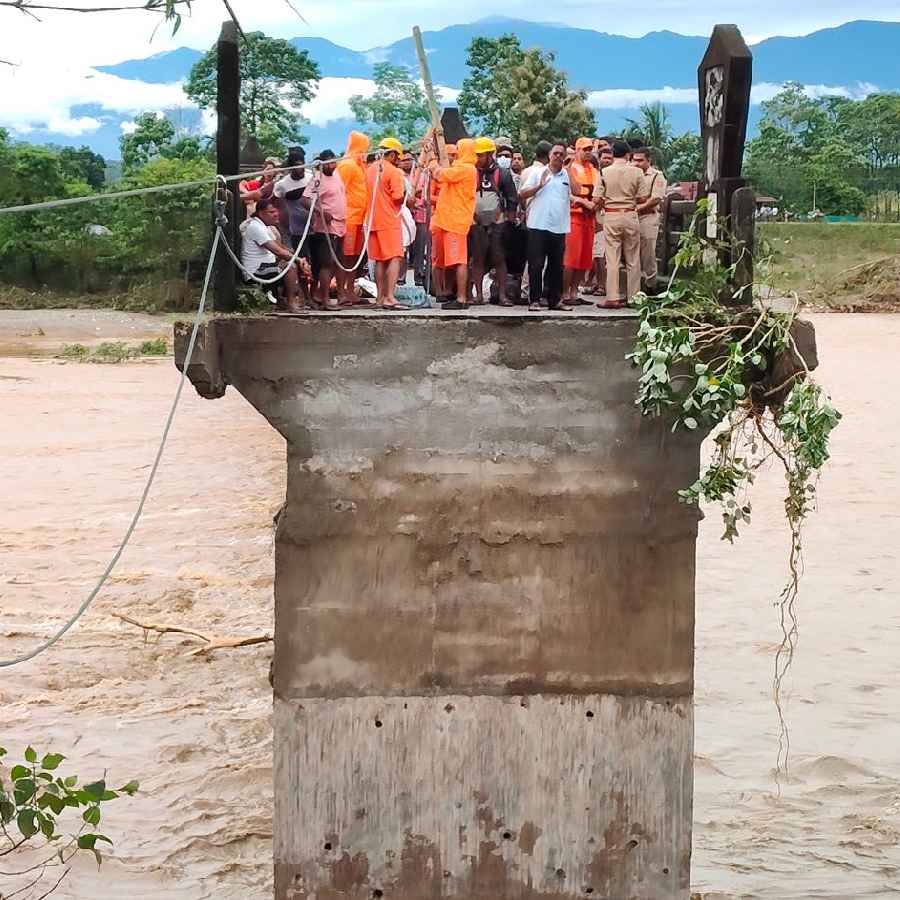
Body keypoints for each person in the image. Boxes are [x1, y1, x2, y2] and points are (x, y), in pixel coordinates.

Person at [518, 143, 573, 311]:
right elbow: (522, 193)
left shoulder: (566, 175)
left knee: (556, 266)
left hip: (559, 226)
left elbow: (578, 190)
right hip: (538, 225)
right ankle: (534, 300)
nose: (558, 156)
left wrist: (570, 170)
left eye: (561, 154)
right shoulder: (537, 172)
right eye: (555, 153)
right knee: (536, 264)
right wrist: (539, 186)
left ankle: (555, 300)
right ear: (549, 155)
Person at [426, 137, 478, 310]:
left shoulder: (466, 169)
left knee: (459, 261)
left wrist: (432, 160)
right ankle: (452, 294)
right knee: (452, 261)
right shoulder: (462, 168)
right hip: (449, 220)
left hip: (456, 221)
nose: (455, 153)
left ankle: (461, 298)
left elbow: (440, 174)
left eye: (458, 149)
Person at [594, 139, 644, 308]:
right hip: (630, 214)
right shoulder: (637, 172)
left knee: (612, 258)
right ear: (628, 155)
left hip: (611, 215)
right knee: (633, 259)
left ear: (613, 154)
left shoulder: (604, 172)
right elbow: (642, 197)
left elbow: (596, 198)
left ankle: (613, 297)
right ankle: (634, 298)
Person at [469, 136, 518, 305]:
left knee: (499, 258)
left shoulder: (502, 173)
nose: (478, 158)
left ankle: (502, 295)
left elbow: (512, 198)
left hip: (498, 222)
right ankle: (478, 295)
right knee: (477, 258)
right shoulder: (471, 172)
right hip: (476, 223)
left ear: (490, 154)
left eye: (481, 155)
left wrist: (509, 220)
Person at [365, 136, 407, 309]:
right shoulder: (393, 171)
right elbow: (397, 197)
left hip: (372, 220)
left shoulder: (369, 170)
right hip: (389, 220)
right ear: (392, 154)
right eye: (397, 157)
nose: (398, 160)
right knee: (395, 258)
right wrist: (407, 196)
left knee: (380, 260)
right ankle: (390, 297)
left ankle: (380, 298)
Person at [240, 198, 304, 311]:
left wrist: (300, 259)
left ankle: (281, 299)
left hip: (266, 266)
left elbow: (280, 247)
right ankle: (291, 303)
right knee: (290, 267)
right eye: (272, 212)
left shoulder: (266, 226)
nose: (276, 215)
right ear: (261, 213)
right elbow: (277, 251)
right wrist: (298, 260)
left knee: (291, 262)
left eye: (276, 211)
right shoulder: (255, 227)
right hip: (256, 271)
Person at [303, 149, 347, 310]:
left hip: (341, 225)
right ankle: (326, 300)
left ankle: (323, 295)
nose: (332, 165)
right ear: (322, 164)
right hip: (325, 228)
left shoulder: (337, 175)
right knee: (326, 263)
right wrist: (320, 212)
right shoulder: (317, 178)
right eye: (329, 163)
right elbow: (305, 200)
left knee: (337, 262)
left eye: (334, 162)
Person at [335, 131, 371, 304]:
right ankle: (341, 292)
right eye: (365, 148)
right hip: (348, 218)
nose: (366, 152)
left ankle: (350, 290)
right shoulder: (347, 165)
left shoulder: (358, 165)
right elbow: (340, 191)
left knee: (354, 257)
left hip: (359, 218)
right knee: (345, 257)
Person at [563, 137, 598, 304]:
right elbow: (565, 192)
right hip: (573, 217)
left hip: (589, 218)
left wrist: (596, 204)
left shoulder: (594, 170)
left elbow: (600, 191)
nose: (588, 152)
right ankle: (564, 293)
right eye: (585, 149)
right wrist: (582, 201)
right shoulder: (569, 169)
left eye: (590, 149)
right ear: (577, 150)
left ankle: (574, 292)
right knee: (570, 258)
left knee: (584, 258)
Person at [632, 147, 668, 289]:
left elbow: (656, 198)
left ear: (648, 160)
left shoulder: (656, 176)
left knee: (648, 252)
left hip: (648, 216)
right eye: (634, 160)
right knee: (632, 252)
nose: (637, 163)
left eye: (640, 160)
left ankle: (650, 284)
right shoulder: (630, 173)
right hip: (631, 217)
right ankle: (634, 286)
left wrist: (638, 207)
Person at [586, 146, 615, 295]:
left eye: (610, 158)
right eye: (604, 158)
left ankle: (603, 286)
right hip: (596, 217)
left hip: (608, 216)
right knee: (597, 254)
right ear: (599, 159)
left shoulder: (614, 175)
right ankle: (596, 283)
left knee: (602, 255)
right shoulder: (596, 175)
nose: (607, 160)